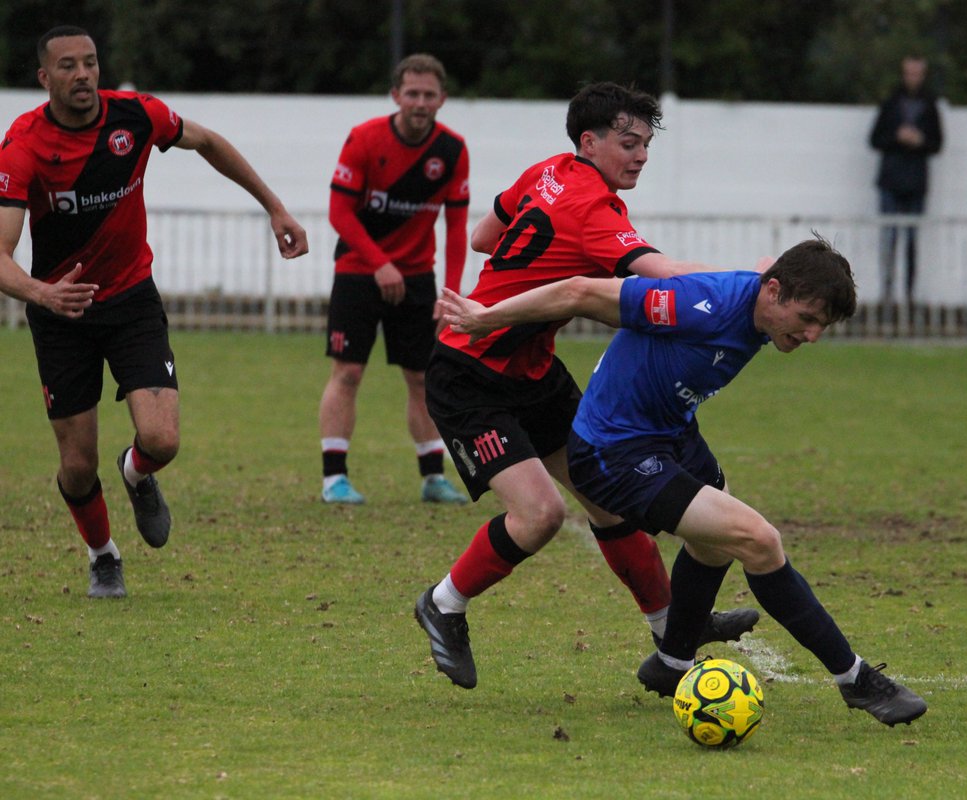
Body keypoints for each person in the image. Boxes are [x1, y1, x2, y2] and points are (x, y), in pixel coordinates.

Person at [438, 237, 928, 727]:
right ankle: (856, 680)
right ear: (774, 292)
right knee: (758, 540)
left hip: (671, 433)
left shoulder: (767, 299)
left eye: (822, 325)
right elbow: (578, 292)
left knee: (713, 546)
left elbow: (762, 265)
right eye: (808, 320)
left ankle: (671, 664)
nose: (813, 335)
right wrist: (486, 318)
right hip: (614, 451)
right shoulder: (699, 307)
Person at [412, 82, 758, 690]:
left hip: (535, 373)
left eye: (647, 144)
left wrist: (529, 276)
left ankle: (671, 630)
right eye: (629, 142)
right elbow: (666, 277)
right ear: (590, 141)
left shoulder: (547, 170)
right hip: (469, 375)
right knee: (540, 514)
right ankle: (443, 603)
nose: (641, 155)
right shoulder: (594, 211)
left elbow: (484, 237)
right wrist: (755, 278)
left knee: (610, 499)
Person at [0, 26, 308, 599]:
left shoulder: (137, 116)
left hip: (131, 299)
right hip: (61, 312)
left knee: (162, 439)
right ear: (44, 78)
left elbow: (209, 142)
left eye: (90, 63)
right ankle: (103, 556)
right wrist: (42, 295)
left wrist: (275, 208)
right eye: (68, 66)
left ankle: (136, 472)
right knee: (76, 466)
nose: (84, 75)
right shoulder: (23, 147)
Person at [318, 53, 469, 506]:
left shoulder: (453, 150)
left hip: (419, 279)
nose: (420, 103)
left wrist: (451, 294)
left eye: (428, 95)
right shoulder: (365, 140)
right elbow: (339, 212)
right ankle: (333, 479)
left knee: (423, 377)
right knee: (347, 372)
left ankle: (432, 478)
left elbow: (457, 228)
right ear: (395, 95)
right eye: (412, 93)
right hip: (358, 273)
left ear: (441, 98)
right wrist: (380, 262)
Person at [869, 55, 943, 307]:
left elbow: (937, 143)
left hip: (916, 183)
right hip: (890, 181)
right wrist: (896, 137)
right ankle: (887, 293)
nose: (913, 78)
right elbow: (875, 139)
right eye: (909, 73)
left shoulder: (930, 105)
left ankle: (909, 295)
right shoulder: (890, 103)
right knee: (889, 239)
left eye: (917, 73)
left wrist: (919, 141)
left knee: (912, 242)